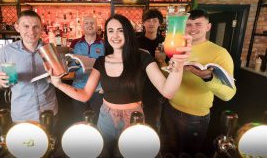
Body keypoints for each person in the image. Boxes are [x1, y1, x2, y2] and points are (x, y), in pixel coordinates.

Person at [47, 14, 192, 157]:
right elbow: (84, 95)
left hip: (134, 118)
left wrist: (178, 66)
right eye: (110, 31)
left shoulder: (142, 57)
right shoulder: (101, 61)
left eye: (120, 30)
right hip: (106, 118)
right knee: (105, 153)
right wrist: (58, 83)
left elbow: (168, 92)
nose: (115, 35)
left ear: (128, 32)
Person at [160, 9, 237, 157]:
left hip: (195, 117)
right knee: (171, 149)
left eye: (198, 24)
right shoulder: (178, 49)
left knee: (188, 154)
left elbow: (229, 94)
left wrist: (207, 77)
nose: (193, 28)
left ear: (208, 27)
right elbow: (168, 77)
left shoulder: (220, 53)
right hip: (170, 108)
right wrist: (162, 62)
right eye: (188, 24)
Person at [0, 10, 58, 123]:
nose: (31, 31)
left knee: (51, 140)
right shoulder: (6, 51)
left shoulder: (50, 50)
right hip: (22, 115)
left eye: (36, 27)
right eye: (26, 26)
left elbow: (58, 77)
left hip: (49, 112)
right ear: (17, 27)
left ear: (41, 28)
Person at [69, 16, 105, 123]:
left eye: (92, 23)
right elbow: (70, 68)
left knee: (97, 121)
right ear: (82, 27)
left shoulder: (105, 43)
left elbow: (108, 67)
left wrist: (105, 86)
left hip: (98, 90)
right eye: (87, 23)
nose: (89, 25)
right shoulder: (75, 43)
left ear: (97, 26)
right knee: (80, 121)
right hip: (78, 88)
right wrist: (75, 62)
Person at [137, 9, 165, 130]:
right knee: (137, 117)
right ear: (143, 23)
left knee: (153, 119)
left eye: (154, 20)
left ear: (160, 23)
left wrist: (162, 60)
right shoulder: (136, 42)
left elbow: (171, 67)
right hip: (140, 85)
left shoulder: (165, 42)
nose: (151, 23)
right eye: (148, 20)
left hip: (157, 87)